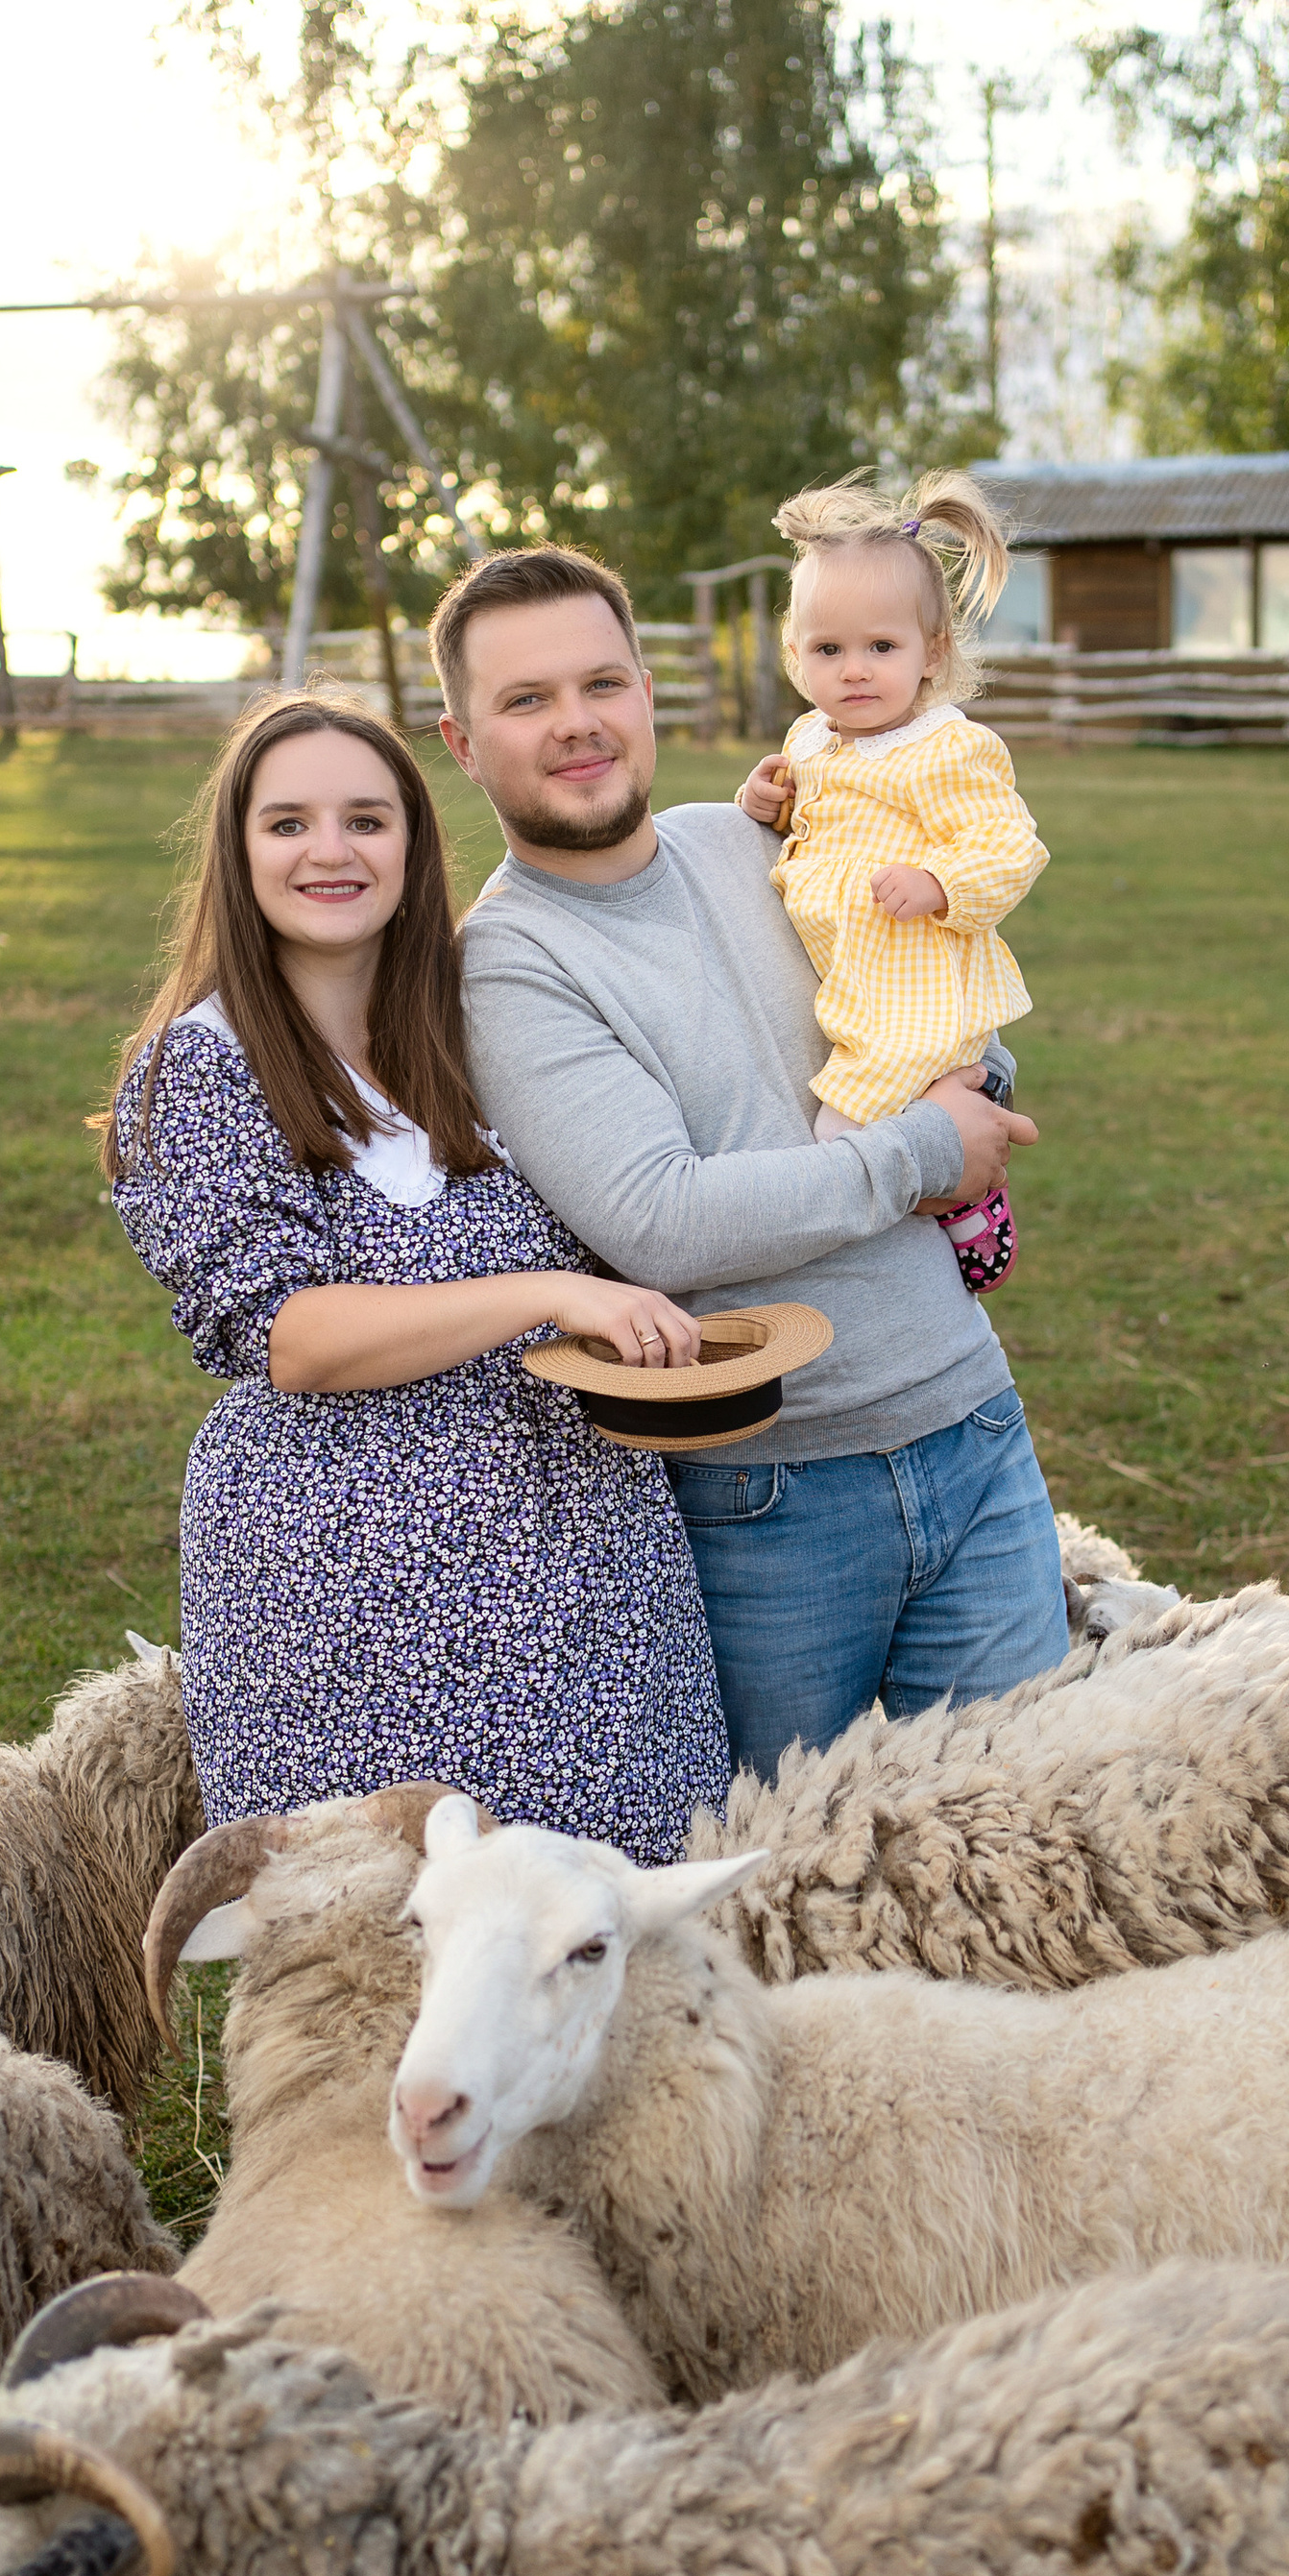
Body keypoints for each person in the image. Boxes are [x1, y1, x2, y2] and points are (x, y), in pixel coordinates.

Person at [436, 543, 1066, 1786]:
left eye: (601, 683)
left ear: (644, 693)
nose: (576, 723)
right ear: (462, 742)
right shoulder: (508, 963)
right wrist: (922, 1151)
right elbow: (662, 1219)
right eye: (526, 699)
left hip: (973, 1425)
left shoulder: (752, 840)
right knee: (780, 1872)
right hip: (772, 1496)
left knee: (1028, 1835)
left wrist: (978, 1084)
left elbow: (928, 998)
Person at [101, 692, 729, 1851]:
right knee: (388, 1927)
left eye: (366, 820)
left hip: (590, 1567)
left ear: (413, 843)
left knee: (627, 1909)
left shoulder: (481, 1024)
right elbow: (292, 1336)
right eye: (288, 824)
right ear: (238, 852)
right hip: (355, 1594)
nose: (330, 851)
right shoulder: (200, 1068)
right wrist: (548, 1295)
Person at [734, 470, 1048, 1294]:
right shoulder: (811, 740)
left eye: (882, 648)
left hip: (916, 997)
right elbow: (810, 819)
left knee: (841, 1137)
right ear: (797, 655)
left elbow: (1009, 844)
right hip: (856, 989)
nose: (856, 671)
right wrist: (763, 801)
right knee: (866, 1127)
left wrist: (941, 880)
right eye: (829, 650)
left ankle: (962, 1198)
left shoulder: (945, 749)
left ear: (932, 651)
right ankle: (946, 1180)